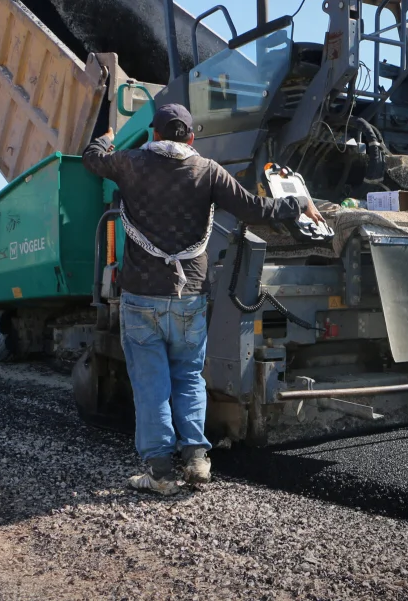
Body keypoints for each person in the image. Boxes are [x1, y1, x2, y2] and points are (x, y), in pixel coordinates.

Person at [83, 103, 325, 494]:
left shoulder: (130, 163)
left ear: (155, 134)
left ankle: (160, 473)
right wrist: (298, 203)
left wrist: (105, 139)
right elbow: (255, 209)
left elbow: (92, 160)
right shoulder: (208, 170)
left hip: (141, 297)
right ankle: (197, 459)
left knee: (151, 385)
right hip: (190, 295)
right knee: (189, 378)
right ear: (192, 138)